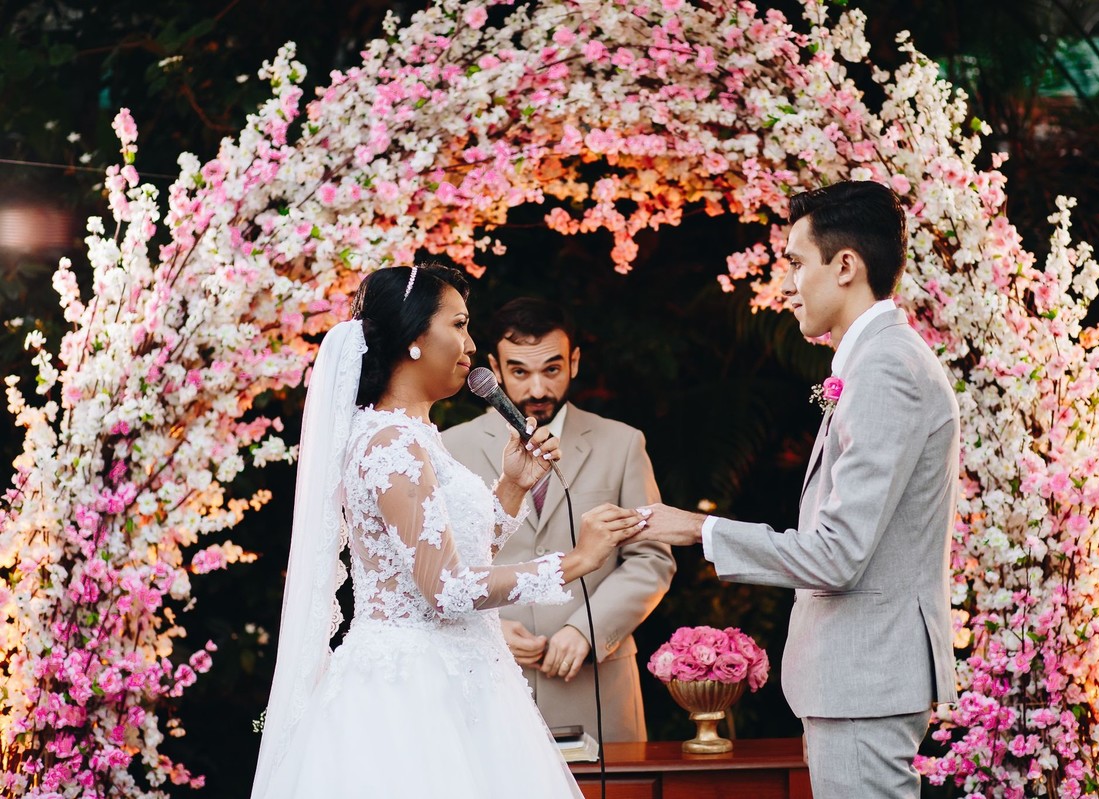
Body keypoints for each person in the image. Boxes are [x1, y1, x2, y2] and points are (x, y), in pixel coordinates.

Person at [250, 264, 647, 799]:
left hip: (463, 674)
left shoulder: (417, 434)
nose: (469, 342)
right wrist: (577, 560)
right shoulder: (389, 442)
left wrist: (510, 489)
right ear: (415, 337)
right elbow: (449, 591)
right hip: (411, 691)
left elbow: (452, 557)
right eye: (458, 325)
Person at [630, 181, 959, 799]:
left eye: (795, 263)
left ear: (844, 266)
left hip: (866, 678)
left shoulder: (887, 369)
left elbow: (837, 555)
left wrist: (700, 530)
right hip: (858, 678)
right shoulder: (875, 363)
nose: (788, 282)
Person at [443, 298, 675, 743]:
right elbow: (441, 570)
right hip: (491, 681)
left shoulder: (623, 443)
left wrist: (586, 629)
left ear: (574, 361)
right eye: (518, 372)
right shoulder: (451, 447)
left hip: (596, 685)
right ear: (493, 366)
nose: (536, 389)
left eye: (551, 369)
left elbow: (651, 559)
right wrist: (487, 628)